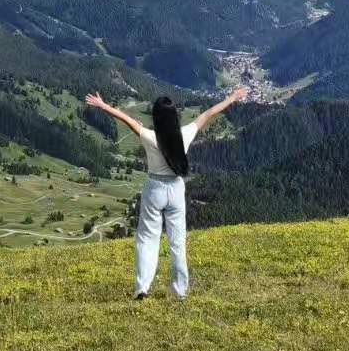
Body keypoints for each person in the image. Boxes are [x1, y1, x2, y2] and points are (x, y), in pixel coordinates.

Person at [84, 85, 248, 301]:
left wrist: (103, 105)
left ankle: (142, 288)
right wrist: (233, 97)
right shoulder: (185, 133)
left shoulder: (150, 137)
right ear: (174, 117)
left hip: (154, 189)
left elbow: (126, 119)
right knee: (177, 242)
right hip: (176, 190)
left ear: (156, 117)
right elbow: (210, 113)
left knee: (147, 238)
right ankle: (180, 291)